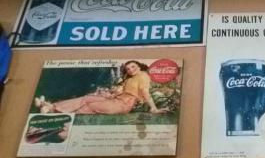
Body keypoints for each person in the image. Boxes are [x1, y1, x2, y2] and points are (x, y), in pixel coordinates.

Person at [34, 60, 168, 115]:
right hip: (116, 99)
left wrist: (154, 108)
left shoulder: (143, 76)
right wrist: (111, 92)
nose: (130, 70)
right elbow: (121, 90)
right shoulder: (130, 78)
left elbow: (145, 92)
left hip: (124, 104)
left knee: (91, 106)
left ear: (139, 66)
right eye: (128, 68)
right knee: (87, 98)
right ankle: (50, 106)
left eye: (133, 67)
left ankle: (55, 111)